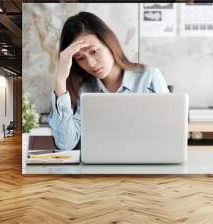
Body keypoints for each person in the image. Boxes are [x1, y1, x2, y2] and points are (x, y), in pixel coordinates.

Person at [49, 11, 169, 151]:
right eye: (80, 58)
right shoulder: (85, 90)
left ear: (109, 43)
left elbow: (168, 133)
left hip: (146, 163)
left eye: (94, 51)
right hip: (99, 169)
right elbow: (65, 144)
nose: (91, 63)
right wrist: (61, 79)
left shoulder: (149, 78)